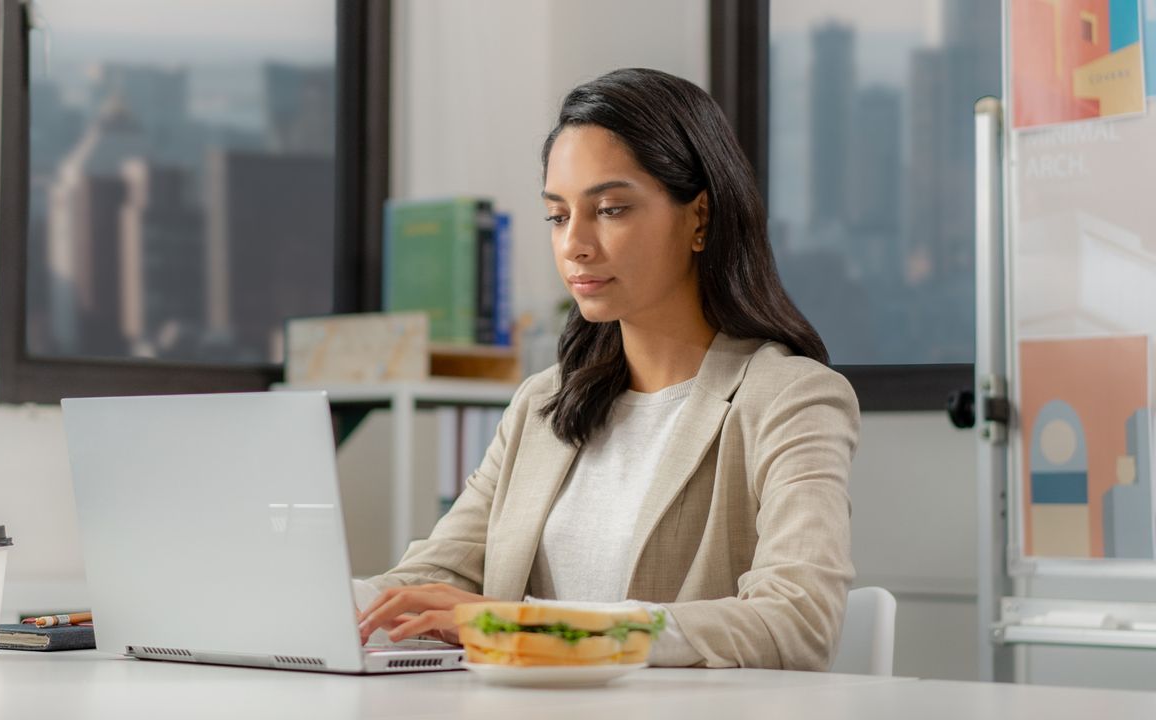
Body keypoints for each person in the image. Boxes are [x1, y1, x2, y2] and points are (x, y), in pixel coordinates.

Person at [355, 67, 859, 670]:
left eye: (612, 209)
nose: (575, 244)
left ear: (699, 217)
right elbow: (433, 575)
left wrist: (528, 626)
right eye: (558, 215)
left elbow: (796, 621)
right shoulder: (542, 405)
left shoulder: (791, 398)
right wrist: (308, 604)